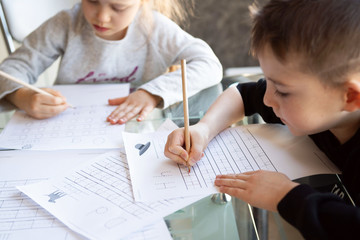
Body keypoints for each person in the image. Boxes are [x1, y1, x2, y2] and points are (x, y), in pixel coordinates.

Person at [164, 0, 360, 239]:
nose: (267, 99)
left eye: (283, 91)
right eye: (267, 80)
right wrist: (203, 129)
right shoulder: (324, 106)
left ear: (350, 97)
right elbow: (243, 94)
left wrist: (286, 197)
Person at [0, 0, 222, 124]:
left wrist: (152, 92)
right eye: (92, 1)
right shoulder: (66, 24)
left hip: (137, 130)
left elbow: (209, 65)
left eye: (118, 7)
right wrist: (22, 96)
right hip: (66, 128)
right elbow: (9, 71)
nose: (102, 17)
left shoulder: (155, 28)